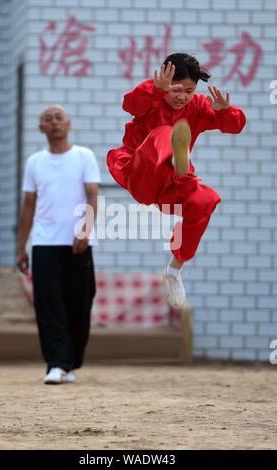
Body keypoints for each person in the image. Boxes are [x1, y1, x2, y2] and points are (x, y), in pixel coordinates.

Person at [107, 52, 246, 309]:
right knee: (163, 133)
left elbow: (234, 127)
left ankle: (174, 269)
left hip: (172, 183)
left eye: (190, 90)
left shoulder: (198, 106)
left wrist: (227, 112)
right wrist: (154, 88)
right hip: (139, 171)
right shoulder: (153, 97)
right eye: (177, 89)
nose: (183, 96)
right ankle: (173, 150)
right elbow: (129, 105)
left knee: (206, 200)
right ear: (165, 82)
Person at [17, 105, 100, 384]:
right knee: (48, 304)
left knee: (80, 301)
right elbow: (28, 205)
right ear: (41, 128)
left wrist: (84, 230)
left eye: (59, 118)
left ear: (69, 124)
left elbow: (92, 195)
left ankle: (71, 361)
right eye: (47, 120)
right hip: (44, 242)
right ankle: (56, 363)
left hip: (77, 241)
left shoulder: (84, 156)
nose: (54, 123)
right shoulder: (35, 162)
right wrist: (21, 247)